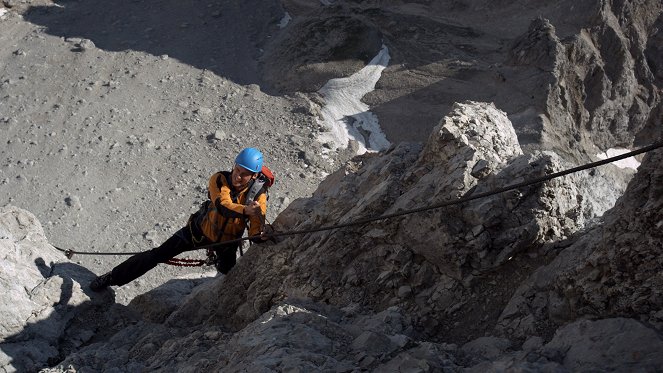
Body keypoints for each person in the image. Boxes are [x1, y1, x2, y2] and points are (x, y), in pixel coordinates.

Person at [90, 148, 269, 291]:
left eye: (244, 174)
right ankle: (112, 277)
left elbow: (255, 228)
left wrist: (258, 235)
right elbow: (223, 205)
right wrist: (246, 210)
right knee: (157, 255)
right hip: (197, 232)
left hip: (227, 243)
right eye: (237, 169)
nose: (237, 176)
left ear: (253, 176)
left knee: (229, 277)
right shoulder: (220, 179)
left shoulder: (258, 195)